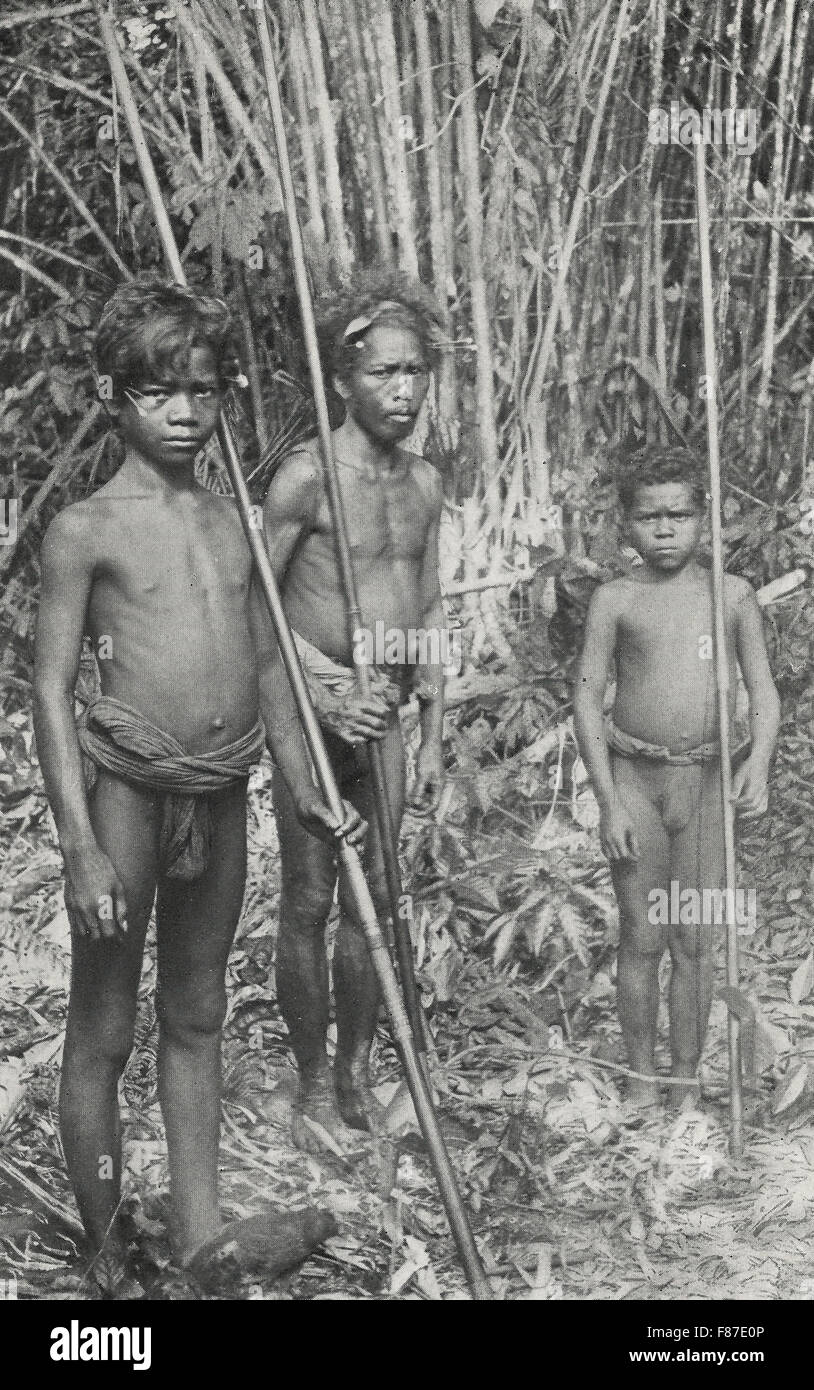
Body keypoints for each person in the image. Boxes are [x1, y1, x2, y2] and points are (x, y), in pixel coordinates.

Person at [33, 276, 363, 1293]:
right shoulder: (86, 527)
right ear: (110, 396)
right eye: (160, 394)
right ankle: (102, 1241)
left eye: (205, 392)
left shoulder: (229, 519)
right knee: (105, 1025)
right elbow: (49, 693)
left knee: (198, 1013)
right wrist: (80, 844)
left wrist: (304, 783)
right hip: (128, 790)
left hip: (222, 791)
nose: (187, 415)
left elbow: (265, 665)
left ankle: (203, 1234)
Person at [256, 269, 448, 1152]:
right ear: (343, 379)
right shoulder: (304, 478)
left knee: (383, 889)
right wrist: (326, 691)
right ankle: (306, 1082)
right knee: (309, 896)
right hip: (313, 707)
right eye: (383, 374)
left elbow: (430, 603)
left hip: (391, 712)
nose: (403, 391)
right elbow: (253, 604)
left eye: (415, 373)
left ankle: (357, 1070)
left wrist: (434, 724)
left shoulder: (425, 484)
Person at [574, 446, 780, 1109]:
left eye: (681, 515)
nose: (665, 529)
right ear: (625, 524)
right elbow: (585, 699)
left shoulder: (732, 595)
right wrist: (608, 801)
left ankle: (686, 1082)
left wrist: (760, 762)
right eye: (649, 516)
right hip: (636, 780)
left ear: (705, 518)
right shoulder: (616, 601)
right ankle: (640, 1078)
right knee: (642, 935)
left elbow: (764, 692)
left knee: (695, 937)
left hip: (708, 784)